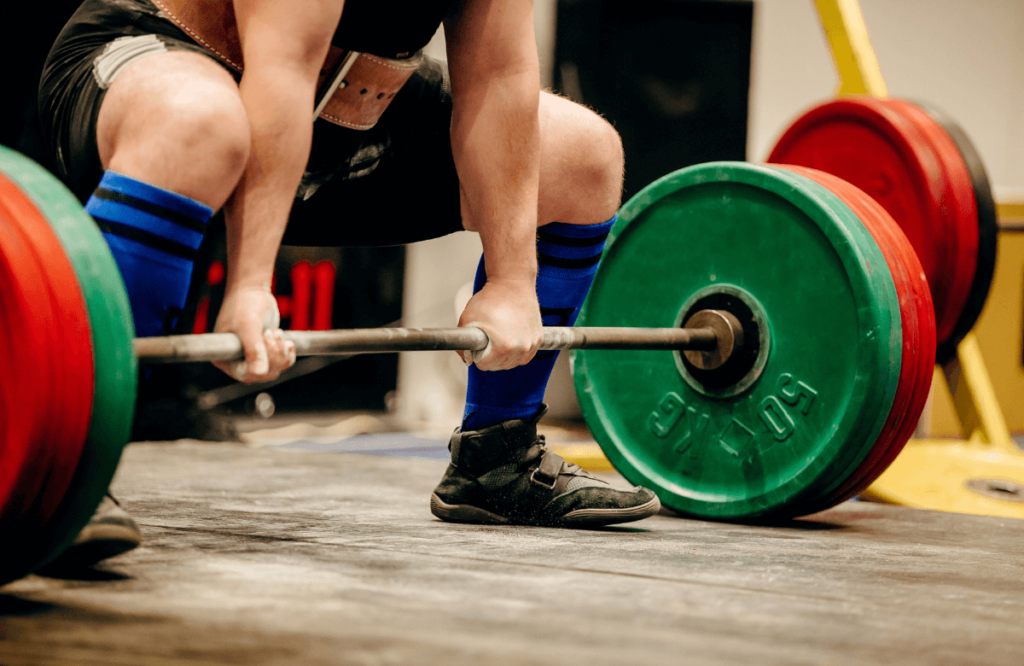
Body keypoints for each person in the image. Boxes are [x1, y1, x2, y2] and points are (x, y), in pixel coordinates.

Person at [39, 0, 661, 567]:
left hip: (342, 111)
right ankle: (59, 470)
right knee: (200, 120)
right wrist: (251, 285)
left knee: (584, 156)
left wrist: (513, 279)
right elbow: (281, 67)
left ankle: (497, 458)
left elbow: (499, 76)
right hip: (161, 70)